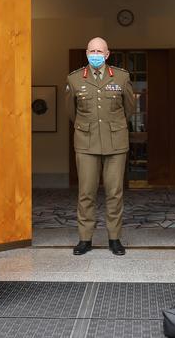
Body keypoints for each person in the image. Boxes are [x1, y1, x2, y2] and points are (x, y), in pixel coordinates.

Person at [66, 37, 135, 256]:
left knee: (114, 192)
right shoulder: (75, 79)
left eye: (99, 51)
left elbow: (129, 109)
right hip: (86, 143)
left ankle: (114, 238)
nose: (95, 54)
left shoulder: (122, 77)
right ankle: (85, 238)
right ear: (86, 53)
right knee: (86, 193)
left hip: (116, 142)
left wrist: (114, 125)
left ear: (107, 54)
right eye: (91, 50)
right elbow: (71, 112)